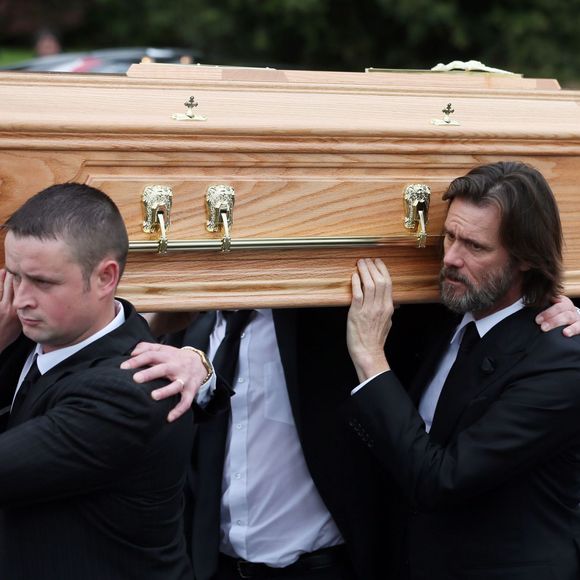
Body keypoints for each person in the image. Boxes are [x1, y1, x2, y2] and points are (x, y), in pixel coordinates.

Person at [126, 273, 580, 574]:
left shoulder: (337, 315)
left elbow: (482, 305)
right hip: (217, 564)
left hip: (330, 564)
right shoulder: (198, 311)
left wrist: (568, 306)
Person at [345, 161, 580, 579]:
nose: (450, 258)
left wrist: (369, 356)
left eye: (475, 246)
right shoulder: (447, 316)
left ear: (526, 258)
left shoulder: (561, 361)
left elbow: (440, 480)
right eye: (449, 236)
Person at [0, 183, 214, 580]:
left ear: (105, 278)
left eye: (42, 282)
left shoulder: (128, 391)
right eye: (14, 275)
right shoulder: (25, 338)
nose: (20, 299)